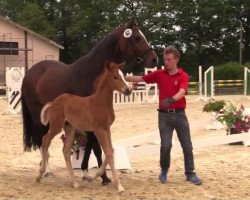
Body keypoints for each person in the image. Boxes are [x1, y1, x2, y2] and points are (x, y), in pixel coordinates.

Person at [125, 46, 202, 185]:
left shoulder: (183, 76)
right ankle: (164, 171)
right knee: (166, 146)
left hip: (180, 115)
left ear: (176, 60)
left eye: (169, 59)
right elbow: (140, 78)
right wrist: (121, 75)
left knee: (187, 146)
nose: (166, 62)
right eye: (165, 59)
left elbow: (182, 91)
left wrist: (172, 99)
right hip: (164, 117)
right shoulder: (159, 74)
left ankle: (190, 173)